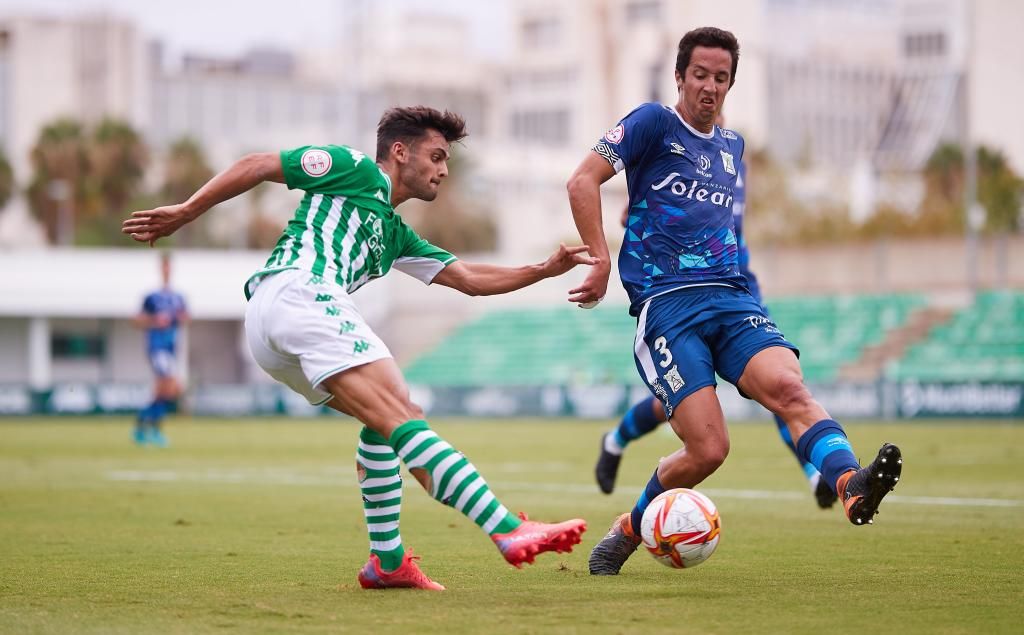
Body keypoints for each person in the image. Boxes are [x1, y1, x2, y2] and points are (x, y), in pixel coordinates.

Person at [123, 106, 591, 591]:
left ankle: (388, 563)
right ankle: (506, 528)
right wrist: (186, 211)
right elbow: (260, 163)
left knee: (393, 413)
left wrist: (540, 270)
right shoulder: (356, 168)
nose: (443, 169)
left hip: (276, 323)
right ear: (399, 151)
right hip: (298, 290)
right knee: (402, 414)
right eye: (435, 156)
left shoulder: (395, 234)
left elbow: (469, 279)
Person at [565, 27, 902, 576]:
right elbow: (582, 181)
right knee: (709, 451)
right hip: (668, 307)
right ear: (680, 77)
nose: (710, 88)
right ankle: (630, 527)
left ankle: (849, 484)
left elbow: (706, 219)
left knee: (790, 387)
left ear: (731, 85)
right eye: (700, 75)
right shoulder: (653, 121)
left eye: (721, 79)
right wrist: (602, 261)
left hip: (731, 296)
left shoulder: (732, 148)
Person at [595, 129, 838, 510]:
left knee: (780, 386)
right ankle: (616, 440)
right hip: (682, 295)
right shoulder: (670, 148)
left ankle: (816, 474)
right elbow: (638, 207)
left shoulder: (733, 157)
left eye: (720, 81)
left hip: (737, 291)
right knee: (682, 410)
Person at [133, 252, 188, 447]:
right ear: (160, 269)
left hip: (171, 348)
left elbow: (185, 317)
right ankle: (152, 430)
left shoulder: (178, 297)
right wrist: (155, 321)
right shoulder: (152, 297)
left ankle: (142, 427)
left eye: (169, 267)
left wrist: (177, 319)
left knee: (165, 391)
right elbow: (137, 320)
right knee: (170, 386)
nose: (166, 270)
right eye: (164, 267)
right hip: (157, 348)